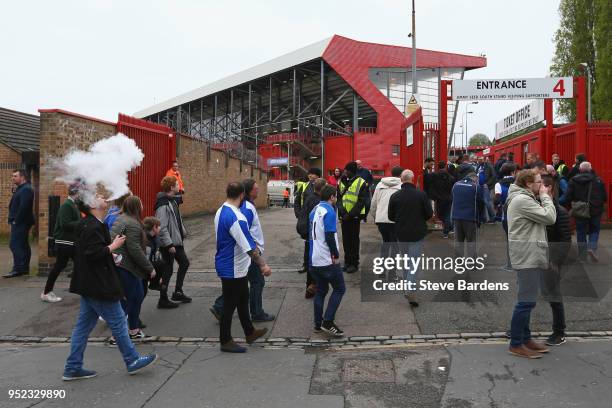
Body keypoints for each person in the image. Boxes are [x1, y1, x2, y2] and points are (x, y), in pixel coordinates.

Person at [63, 195, 157, 380]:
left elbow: (88, 253)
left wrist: (109, 255)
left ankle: (73, 367)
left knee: (82, 328)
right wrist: (113, 246)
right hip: (99, 285)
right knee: (120, 322)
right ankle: (132, 360)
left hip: (88, 283)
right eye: (97, 196)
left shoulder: (89, 223)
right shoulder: (92, 226)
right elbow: (92, 254)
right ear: (92, 205)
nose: (102, 197)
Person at [214, 182, 271, 353]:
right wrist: (263, 265)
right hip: (233, 267)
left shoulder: (221, 210)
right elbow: (249, 247)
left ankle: (250, 332)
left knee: (243, 298)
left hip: (230, 263)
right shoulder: (236, 218)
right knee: (229, 305)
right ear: (242, 195)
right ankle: (225, 340)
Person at [506, 169, 556, 359]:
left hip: (529, 254)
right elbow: (550, 217)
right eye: (538, 182)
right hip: (527, 256)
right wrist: (545, 197)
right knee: (525, 302)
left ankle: (525, 339)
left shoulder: (523, 197)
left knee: (528, 300)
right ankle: (516, 344)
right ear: (528, 184)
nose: (541, 185)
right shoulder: (522, 200)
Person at [110, 196, 155, 340]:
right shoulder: (133, 224)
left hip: (120, 264)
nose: (142, 205)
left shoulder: (121, 219)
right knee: (131, 299)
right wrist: (149, 268)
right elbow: (135, 249)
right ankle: (118, 335)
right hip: (126, 267)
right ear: (136, 207)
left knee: (136, 296)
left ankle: (133, 331)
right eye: (141, 203)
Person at [388, 169, 433, 307]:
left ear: (401, 180)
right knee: (415, 263)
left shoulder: (395, 196)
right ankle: (410, 288)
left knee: (406, 262)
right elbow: (429, 214)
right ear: (412, 179)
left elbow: (390, 216)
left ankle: (409, 287)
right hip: (417, 233)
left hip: (401, 233)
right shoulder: (421, 195)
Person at [309, 184, 345, 336]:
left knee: (321, 291)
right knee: (340, 289)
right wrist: (335, 254)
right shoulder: (329, 211)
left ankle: (318, 324)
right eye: (335, 196)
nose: (336, 199)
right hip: (326, 259)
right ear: (331, 197)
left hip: (314, 258)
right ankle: (328, 321)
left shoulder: (314, 210)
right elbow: (330, 235)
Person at [150, 176, 189, 308]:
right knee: (167, 269)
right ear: (172, 187)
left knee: (184, 263)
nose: (179, 186)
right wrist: (169, 244)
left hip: (176, 241)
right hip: (169, 244)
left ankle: (178, 291)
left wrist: (182, 232)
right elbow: (162, 227)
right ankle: (163, 298)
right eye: (177, 184)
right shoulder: (163, 204)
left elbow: (177, 220)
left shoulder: (172, 201)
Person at [541, 175, 571, 347]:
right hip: (539, 258)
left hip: (551, 260)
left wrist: (555, 261)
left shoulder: (559, 211)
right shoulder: (541, 209)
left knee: (554, 296)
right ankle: (520, 329)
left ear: (549, 188)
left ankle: (559, 332)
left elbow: (565, 240)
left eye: (540, 185)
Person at [41, 184, 81, 302]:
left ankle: (83, 290)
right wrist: (82, 223)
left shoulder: (72, 205)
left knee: (79, 265)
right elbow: (65, 224)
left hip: (70, 242)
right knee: (59, 266)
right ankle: (46, 292)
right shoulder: (66, 206)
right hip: (64, 242)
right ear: (76, 193)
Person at [561, 161, 607, 262]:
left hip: (580, 210)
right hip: (595, 209)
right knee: (594, 230)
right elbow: (604, 197)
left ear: (580, 170)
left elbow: (568, 196)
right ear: (590, 169)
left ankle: (582, 256)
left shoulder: (573, 180)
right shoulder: (598, 180)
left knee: (581, 231)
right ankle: (592, 248)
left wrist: (570, 206)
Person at [297, 178, 327, 299]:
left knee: (311, 261)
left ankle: (311, 287)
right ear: (323, 188)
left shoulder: (310, 197)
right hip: (313, 236)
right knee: (316, 262)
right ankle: (313, 287)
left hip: (307, 234)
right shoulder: (318, 201)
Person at [337, 161, 368, 273]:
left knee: (353, 240)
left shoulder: (361, 183)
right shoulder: (341, 181)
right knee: (346, 240)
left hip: (354, 217)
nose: (345, 171)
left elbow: (361, 202)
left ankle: (354, 263)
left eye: (347, 170)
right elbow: (339, 199)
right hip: (344, 216)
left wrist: (349, 215)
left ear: (352, 171)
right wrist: (343, 212)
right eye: (345, 169)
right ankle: (347, 262)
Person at [5, 169, 35, 278]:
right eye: (12, 176)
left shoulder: (26, 189)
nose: (13, 178)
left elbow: (24, 207)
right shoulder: (22, 188)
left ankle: (17, 269)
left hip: (21, 222)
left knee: (15, 245)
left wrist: (16, 220)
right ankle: (23, 268)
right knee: (22, 244)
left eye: (15, 176)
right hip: (21, 221)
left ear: (22, 177)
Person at [371, 166, 402, 257]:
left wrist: (376, 217)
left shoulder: (380, 185)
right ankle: (392, 269)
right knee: (394, 243)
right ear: (401, 175)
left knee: (385, 242)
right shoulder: (401, 186)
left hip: (381, 220)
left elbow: (373, 204)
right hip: (395, 220)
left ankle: (383, 267)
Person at [451, 171, 484, 259]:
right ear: (474, 178)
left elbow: (453, 198)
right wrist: (480, 218)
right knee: (471, 242)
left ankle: (458, 262)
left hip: (456, 217)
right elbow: (481, 202)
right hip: (470, 218)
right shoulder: (476, 187)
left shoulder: (456, 185)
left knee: (458, 242)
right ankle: (471, 263)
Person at [294, 168, 321, 273]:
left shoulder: (322, 186)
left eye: (313, 174)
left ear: (318, 176)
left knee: (318, 243)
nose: (310, 176)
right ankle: (306, 265)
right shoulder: (304, 186)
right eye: (309, 174)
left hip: (318, 220)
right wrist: (299, 214)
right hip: (306, 219)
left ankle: (316, 264)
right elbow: (297, 201)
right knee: (308, 243)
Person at [494, 163, 518, 271]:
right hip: (520, 215)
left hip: (507, 216)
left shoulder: (499, 184)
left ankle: (510, 264)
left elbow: (496, 200)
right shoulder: (519, 183)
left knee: (510, 240)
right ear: (513, 172)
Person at [428, 162, 455, 238]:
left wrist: (434, 196)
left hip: (439, 199)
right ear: (445, 166)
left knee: (440, 214)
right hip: (449, 198)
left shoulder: (434, 176)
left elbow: (431, 187)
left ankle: (446, 231)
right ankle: (449, 228)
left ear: (438, 167)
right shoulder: (450, 177)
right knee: (447, 214)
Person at [477, 156, 497, 223]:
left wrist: (487, 184)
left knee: (487, 202)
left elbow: (493, 176)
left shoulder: (489, 166)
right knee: (481, 202)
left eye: (481, 159)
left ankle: (493, 217)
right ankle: (484, 218)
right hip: (479, 186)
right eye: (479, 159)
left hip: (486, 187)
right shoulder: (478, 166)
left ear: (484, 160)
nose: (480, 160)